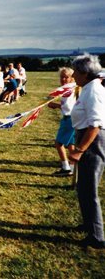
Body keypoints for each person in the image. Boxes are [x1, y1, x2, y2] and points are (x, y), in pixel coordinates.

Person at [68, 53, 105, 249]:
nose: (72, 75)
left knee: (89, 188)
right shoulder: (88, 88)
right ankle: (89, 224)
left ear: (84, 73)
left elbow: (95, 125)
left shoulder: (93, 91)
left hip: (92, 140)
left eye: (75, 71)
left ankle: (97, 236)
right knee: (83, 187)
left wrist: (80, 149)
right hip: (85, 136)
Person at [48, 67, 77, 177]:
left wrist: (55, 105)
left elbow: (68, 107)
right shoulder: (72, 88)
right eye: (62, 77)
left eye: (66, 77)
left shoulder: (69, 89)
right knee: (70, 144)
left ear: (71, 78)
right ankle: (73, 168)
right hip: (73, 118)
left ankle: (66, 167)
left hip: (69, 118)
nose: (64, 79)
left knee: (58, 143)